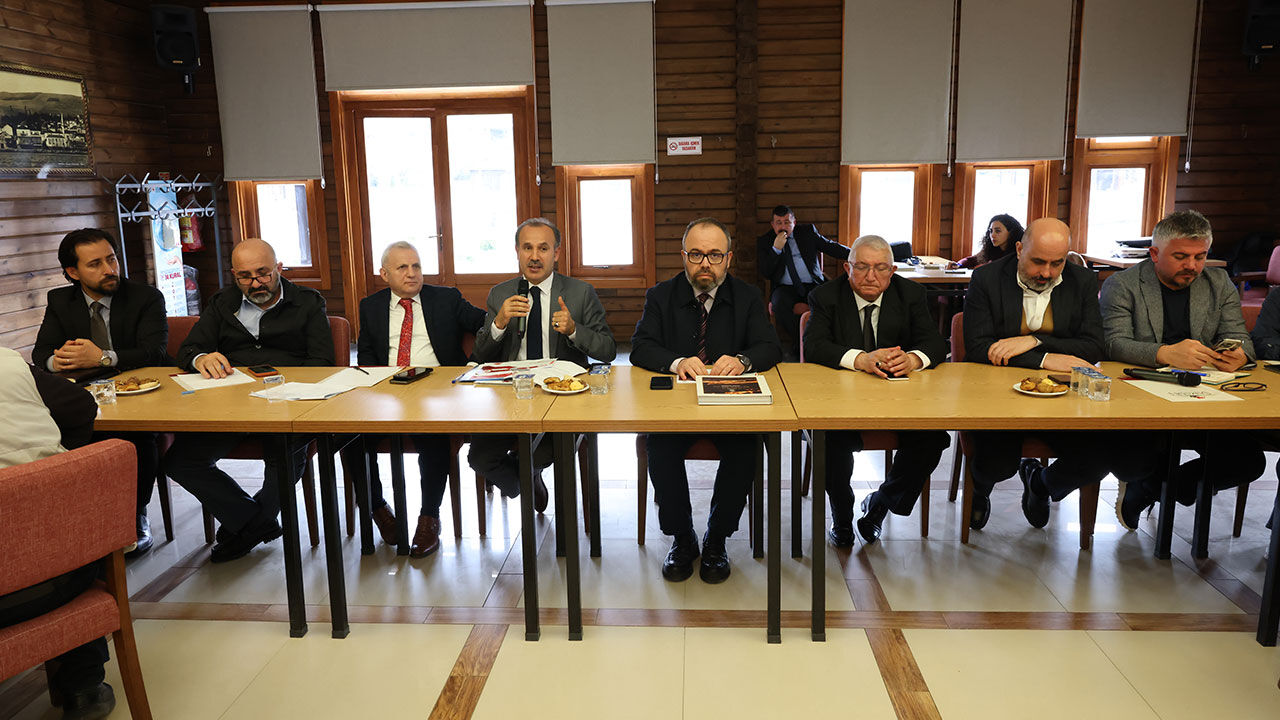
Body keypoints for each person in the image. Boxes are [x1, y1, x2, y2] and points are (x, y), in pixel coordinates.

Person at [163, 238, 335, 562]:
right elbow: (188, 350)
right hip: (230, 408)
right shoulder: (221, 303)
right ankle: (253, 523)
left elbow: (323, 363)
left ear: (278, 268)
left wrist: (282, 387)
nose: (256, 283)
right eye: (245, 276)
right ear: (234, 275)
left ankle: (245, 527)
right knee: (179, 461)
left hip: (288, 405)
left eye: (263, 273)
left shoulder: (308, 302)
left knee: (286, 457)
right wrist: (202, 358)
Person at [631, 217, 783, 583]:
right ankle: (683, 538)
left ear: (728, 259)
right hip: (676, 410)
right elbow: (640, 347)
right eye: (696, 254)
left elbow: (770, 347)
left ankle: (717, 538)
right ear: (683, 256)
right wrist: (676, 362)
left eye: (714, 255)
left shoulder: (747, 296)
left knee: (746, 449)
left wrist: (743, 360)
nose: (705, 264)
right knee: (660, 448)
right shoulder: (660, 295)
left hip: (731, 408)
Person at [963, 218, 1138, 530]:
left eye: (1057, 263)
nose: (1046, 273)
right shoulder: (986, 278)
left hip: (1063, 400)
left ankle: (1040, 483)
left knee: (1098, 458)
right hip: (996, 398)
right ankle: (981, 489)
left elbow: (1093, 346)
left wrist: (1035, 341)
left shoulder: (1082, 281)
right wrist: (1048, 359)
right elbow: (979, 348)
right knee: (997, 464)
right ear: (1019, 249)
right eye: (1038, 262)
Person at [1100, 209, 1264, 528]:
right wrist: (1164, 353)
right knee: (1135, 461)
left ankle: (1151, 489)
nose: (1192, 265)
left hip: (1207, 399)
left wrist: (1240, 354)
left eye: (1200, 256)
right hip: (1142, 398)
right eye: (1181, 256)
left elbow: (1240, 337)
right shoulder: (1123, 284)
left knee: (1248, 462)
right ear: (1154, 254)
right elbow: (1112, 344)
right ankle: (1152, 483)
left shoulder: (1218, 283)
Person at [802, 235, 951, 545]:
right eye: (862, 267)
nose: (871, 276)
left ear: (892, 271)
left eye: (881, 268)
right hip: (841, 402)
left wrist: (913, 359)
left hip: (899, 402)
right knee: (829, 439)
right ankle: (842, 517)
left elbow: (935, 343)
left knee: (933, 438)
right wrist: (860, 359)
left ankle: (880, 505)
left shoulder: (911, 294)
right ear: (847, 268)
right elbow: (814, 345)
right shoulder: (825, 296)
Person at [340, 241, 485, 557]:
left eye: (416, 266)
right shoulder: (371, 306)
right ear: (384, 274)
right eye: (402, 267)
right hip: (386, 393)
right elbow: (366, 356)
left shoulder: (446, 299)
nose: (412, 273)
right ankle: (378, 509)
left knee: (432, 435)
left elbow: (486, 324)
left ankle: (429, 518)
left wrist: (473, 362)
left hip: (436, 392)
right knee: (348, 436)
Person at [32, 228, 169, 556]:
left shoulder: (145, 297)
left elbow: (155, 352)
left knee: (135, 438)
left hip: (143, 391)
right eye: (95, 264)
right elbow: (41, 354)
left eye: (112, 259)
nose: (109, 269)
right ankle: (84, 519)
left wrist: (103, 358)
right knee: (61, 434)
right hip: (87, 397)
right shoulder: (60, 301)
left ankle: (135, 516)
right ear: (73, 272)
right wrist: (58, 361)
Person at [468, 218, 616, 510]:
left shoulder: (580, 292)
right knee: (479, 458)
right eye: (527, 248)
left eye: (543, 248)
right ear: (517, 251)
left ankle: (529, 473)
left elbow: (608, 350)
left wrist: (574, 330)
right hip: (511, 396)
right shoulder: (500, 293)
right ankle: (526, 480)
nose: (534, 256)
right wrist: (499, 323)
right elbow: (479, 355)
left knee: (549, 451)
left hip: (562, 396)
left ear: (556, 253)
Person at [0, 346, 116, 719]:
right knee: (63, 546)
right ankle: (84, 686)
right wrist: (59, 471)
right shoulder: (8, 364)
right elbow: (81, 407)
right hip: (60, 573)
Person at [756, 205, 849, 359]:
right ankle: (801, 342)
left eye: (787, 222)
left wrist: (855, 254)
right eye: (778, 223)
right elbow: (765, 272)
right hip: (785, 288)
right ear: (772, 225)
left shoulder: (807, 232)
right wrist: (775, 250)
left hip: (812, 284)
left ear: (794, 222)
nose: (783, 226)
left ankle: (824, 343)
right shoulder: (765, 241)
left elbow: (830, 247)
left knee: (829, 300)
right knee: (778, 304)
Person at [948, 214, 1024, 269]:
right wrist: (958, 265)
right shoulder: (992, 249)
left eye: (998, 231)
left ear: (1011, 233)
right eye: (991, 231)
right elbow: (970, 260)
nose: (992, 235)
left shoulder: (1019, 252)